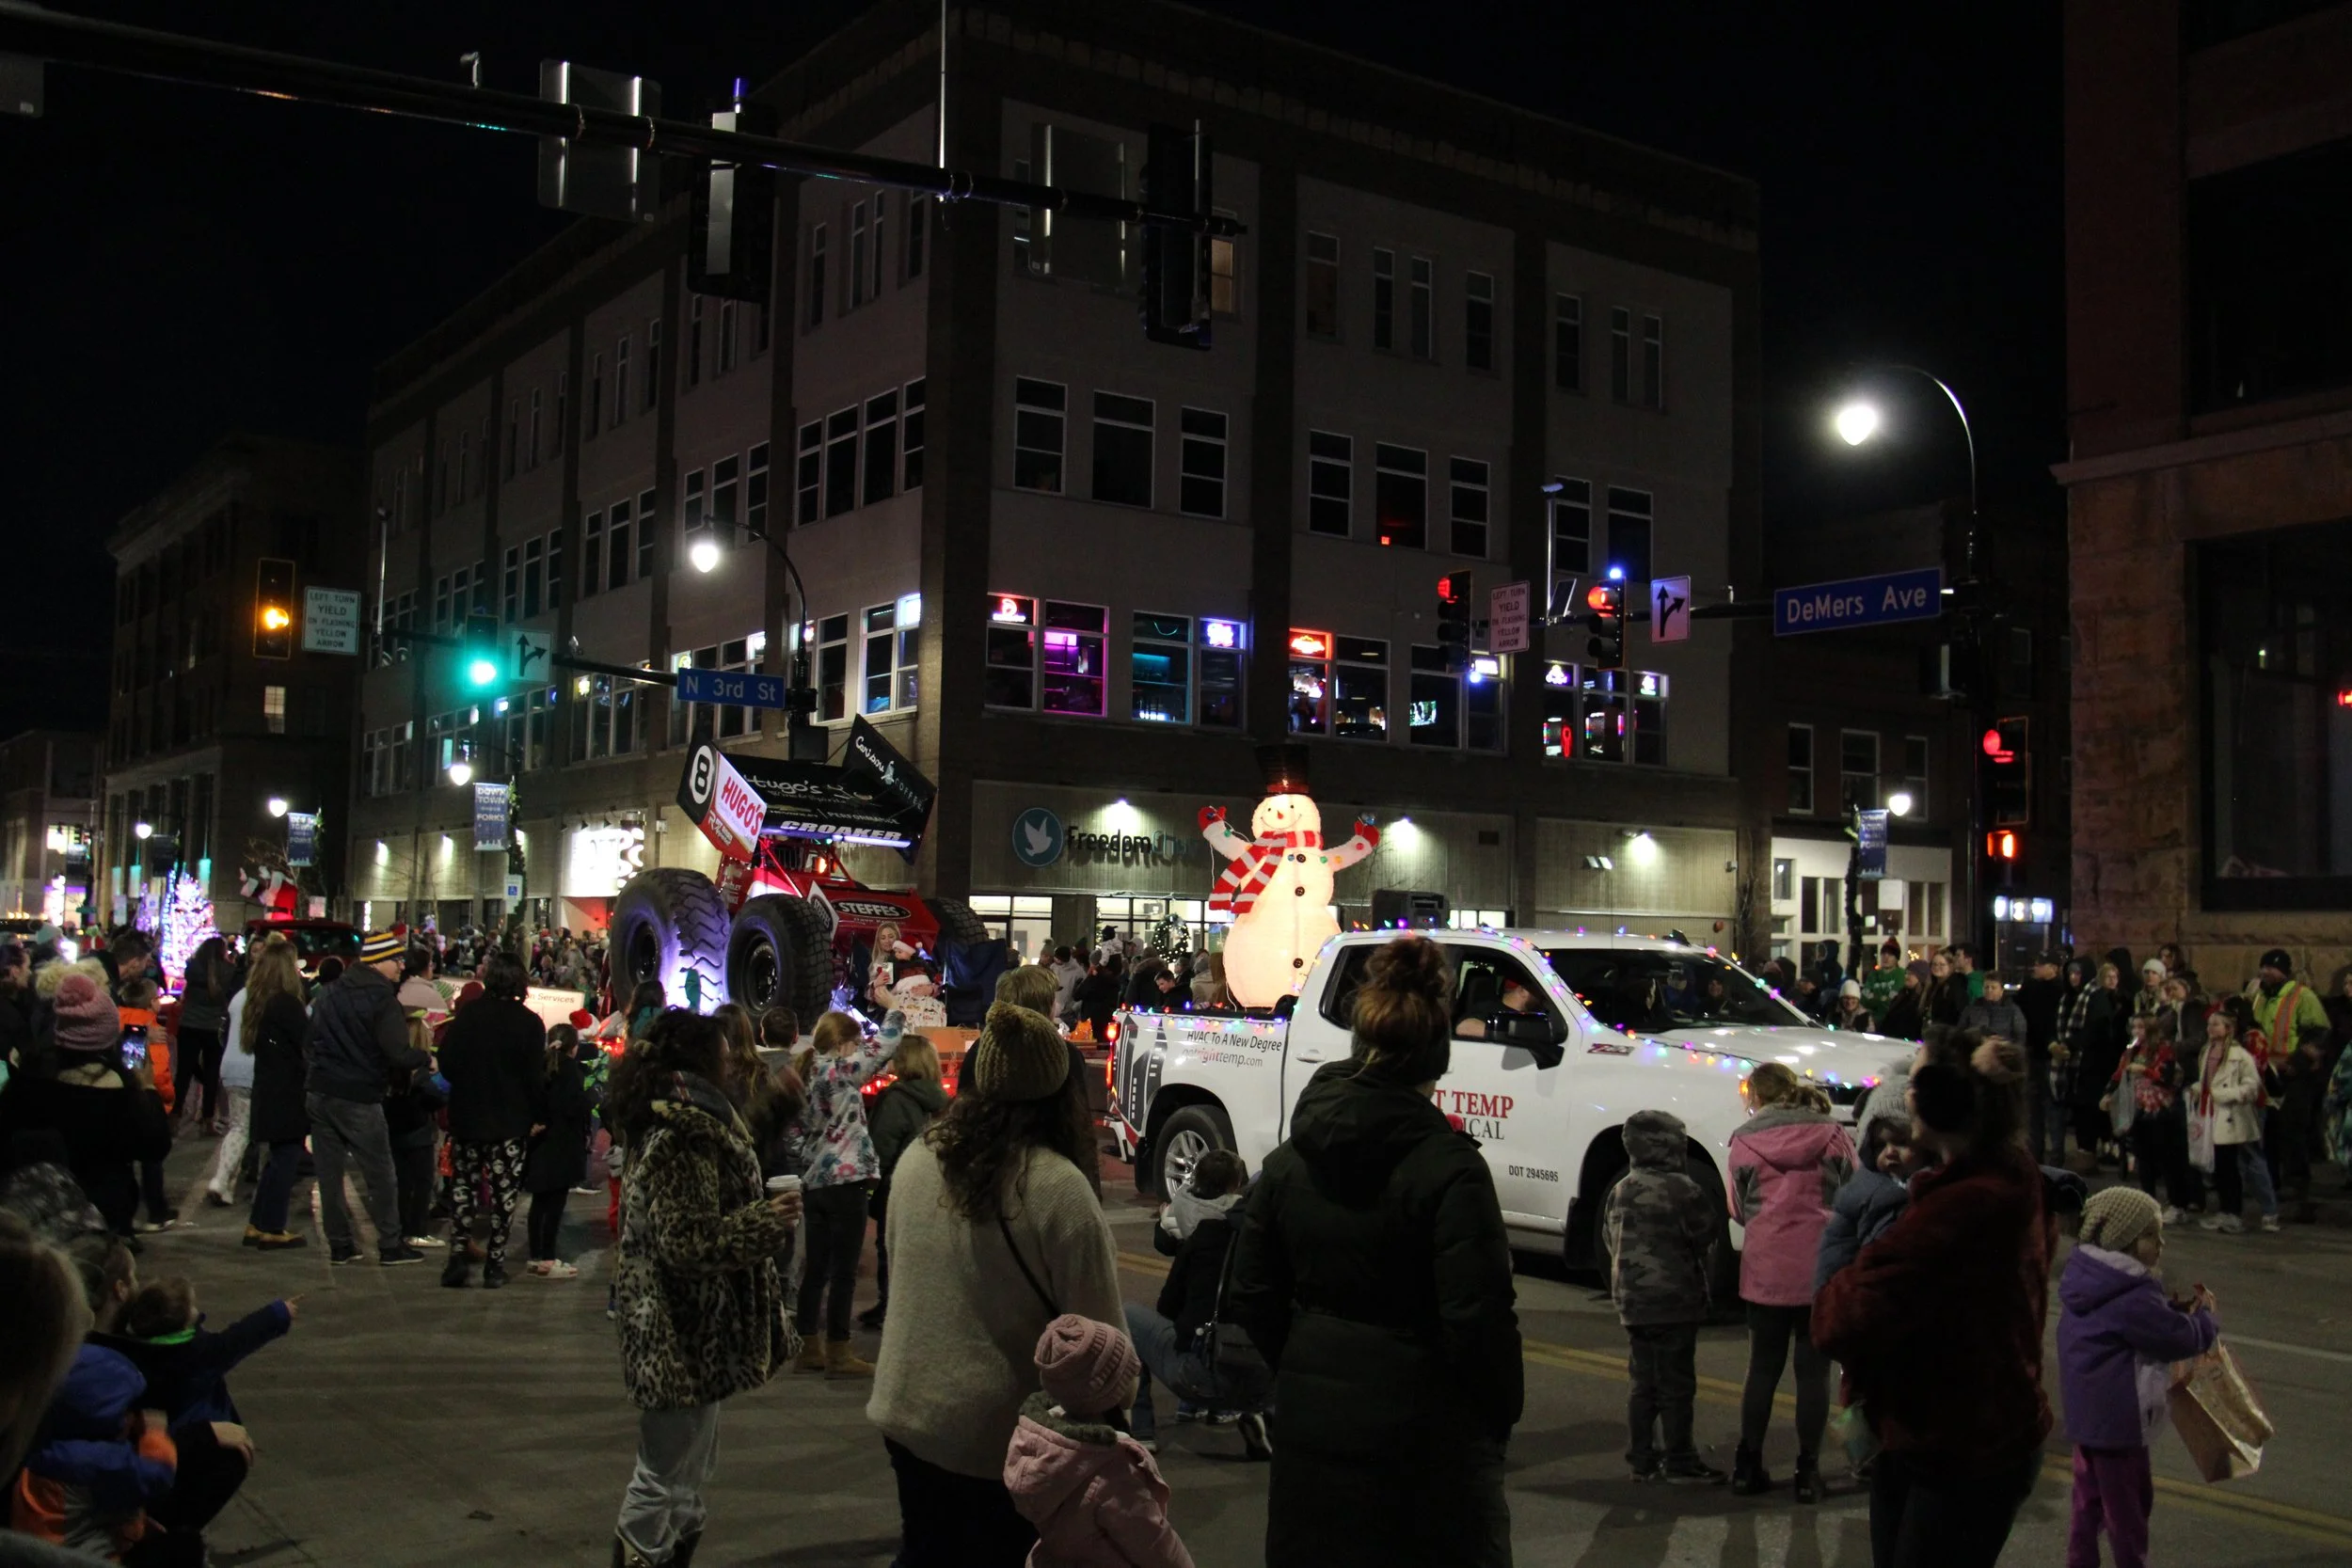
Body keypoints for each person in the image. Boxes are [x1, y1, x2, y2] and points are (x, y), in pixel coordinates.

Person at [1227, 936, 1520, 1568]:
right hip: (1426, 1441)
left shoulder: (1287, 1162)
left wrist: (1306, 1360)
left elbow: (1250, 1291)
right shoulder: (1451, 1171)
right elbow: (1481, 1322)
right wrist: (1493, 1419)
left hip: (1312, 1430)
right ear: (1435, 1058)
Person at [867, 999, 1120, 1567]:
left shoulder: (918, 1158)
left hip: (908, 1411)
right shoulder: (1057, 1187)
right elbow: (1103, 1349)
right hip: (1000, 1438)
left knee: (926, 1550)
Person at [1814, 1037, 2051, 1568]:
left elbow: (1837, 1319)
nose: (1908, 1095)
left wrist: (1837, 1274)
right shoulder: (2011, 1172)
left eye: (1916, 1083)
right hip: (1955, 1435)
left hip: (1960, 1450)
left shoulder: (1958, 1208)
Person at [606, 1008, 804, 1568]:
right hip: (675, 1332)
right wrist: (768, 1221)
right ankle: (645, 1554)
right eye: (721, 1051)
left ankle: (670, 1553)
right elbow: (687, 1243)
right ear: (702, 1062)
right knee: (664, 1475)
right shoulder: (680, 1133)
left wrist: (780, 1105)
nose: (730, 1059)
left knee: (690, 1473)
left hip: (696, 1330)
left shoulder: (693, 1117)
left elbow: (732, 1144)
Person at [2058, 1188, 2218, 1568]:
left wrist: (2164, 1311)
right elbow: (2175, 1338)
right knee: (2129, 1508)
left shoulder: (2091, 1283)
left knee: (2088, 1501)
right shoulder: (2131, 1295)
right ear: (2123, 1240)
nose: (2160, 1244)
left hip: (2088, 1420)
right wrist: (2206, 1320)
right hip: (2120, 1424)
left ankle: (2079, 1562)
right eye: (2151, 1235)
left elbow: (2138, 1324)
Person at [1728, 1062, 1854, 1503]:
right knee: (1812, 1375)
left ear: (1757, 1098)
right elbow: (1850, 1194)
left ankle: (1748, 1465)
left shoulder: (1744, 1141)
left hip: (1765, 1271)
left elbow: (1738, 1207)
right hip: (1819, 1269)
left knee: (1761, 1369)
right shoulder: (1832, 1135)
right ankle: (1807, 1471)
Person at [1003, 1315, 1195, 1568]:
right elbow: (1154, 1543)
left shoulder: (1034, 1438)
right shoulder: (1113, 1468)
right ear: (1105, 1388)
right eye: (1129, 1375)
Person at [1126, 1149, 1270, 1461]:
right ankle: (1256, 1412)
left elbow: (1168, 1305)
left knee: (1130, 1318)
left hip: (1203, 1371)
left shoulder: (1204, 1229)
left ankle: (1142, 1430)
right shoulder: (1277, 1245)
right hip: (1265, 1381)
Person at [1604, 1109, 1724, 1485]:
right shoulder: (1683, 1190)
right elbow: (1706, 1232)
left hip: (1634, 1302)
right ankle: (1680, 1459)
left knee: (1643, 1383)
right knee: (1676, 1384)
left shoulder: (1621, 1189)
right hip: (1675, 1301)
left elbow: (1611, 1238)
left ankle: (1641, 1458)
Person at [0, 968, 165, 1240]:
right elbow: (154, 1145)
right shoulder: (118, 1092)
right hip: (102, 1219)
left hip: (37, 1217)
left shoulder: (28, 1082)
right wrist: (146, 1087)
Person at [780, 1009, 900, 1375]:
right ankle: (838, 1349)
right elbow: (887, 1042)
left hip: (815, 1182)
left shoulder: (802, 1074)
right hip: (847, 1182)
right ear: (842, 1043)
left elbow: (792, 1134)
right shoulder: (841, 1071)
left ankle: (807, 1346)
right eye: (855, 1044)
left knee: (815, 1269)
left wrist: (810, 1160)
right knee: (844, 1272)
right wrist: (894, 1007)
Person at [303, 929, 428, 1267]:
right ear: (377, 962)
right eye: (396, 960)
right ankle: (390, 1244)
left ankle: (340, 1245)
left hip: (320, 1091)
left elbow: (309, 1039)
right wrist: (424, 1057)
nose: (402, 966)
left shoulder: (328, 993)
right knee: (381, 1173)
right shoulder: (382, 999)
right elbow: (398, 1053)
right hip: (358, 1096)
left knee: (329, 1174)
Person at [437, 956, 547, 1288]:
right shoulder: (529, 1023)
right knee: (504, 1195)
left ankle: (458, 1254)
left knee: (463, 1188)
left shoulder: (469, 1015)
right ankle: (494, 1265)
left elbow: (448, 1062)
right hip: (509, 1122)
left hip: (468, 1117)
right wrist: (537, 1115)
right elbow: (533, 1078)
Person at [106, 1276, 294, 1433]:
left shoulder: (131, 1350)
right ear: (184, 1320)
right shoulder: (198, 1353)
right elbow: (240, 1337)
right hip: (200, 1434)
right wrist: (278, 1313)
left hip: (157, 1434)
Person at [859, 1031, 947, 1332]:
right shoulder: (940, 1100)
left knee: (889, 1247)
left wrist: (869, 1192)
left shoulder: (896, 1100)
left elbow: (881, 1148)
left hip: (897, 1187)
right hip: (932, 1187)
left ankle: (890, 1306)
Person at [234, 941, 311, 1252]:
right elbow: (307, 1044)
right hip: (287, 1091)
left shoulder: (259, 1001)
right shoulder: (287, 1005)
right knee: (286, 1160)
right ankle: (273, 1226)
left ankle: (258, 1222)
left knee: (276, 1159)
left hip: (268, 1087)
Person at [2193, 1003, 2279, 1235]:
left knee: (2234, 1165)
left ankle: (2240, 1212)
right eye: (2209, 1024)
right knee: (2221, 1167)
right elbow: (2206, 1080)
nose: (2211, 1028)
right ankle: (2225, 1210)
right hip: (2213, 1115)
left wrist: (2226, 1094)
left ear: (2229, 1028)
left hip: (2233, 1115)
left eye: (2216, 1024)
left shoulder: (2240, 1056)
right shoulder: (2207, 1051)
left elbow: (2252, 1085)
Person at [522, 1022, 595, 1279]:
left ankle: (535, 1256)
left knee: (539, 1203)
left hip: (540, 1144)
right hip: (562, 1144)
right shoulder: (570, 1071)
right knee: (554, 1205)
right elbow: (572, 1107)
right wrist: (592, 1098)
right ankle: (548, 1258)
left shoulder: (539, 1066)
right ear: (574, 1047)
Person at [2107, 1013, 2191, 1221]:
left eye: (2141, 1028)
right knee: (2143, 1157)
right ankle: (2148, 1202)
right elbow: (2119, 1073)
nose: (2137, 1032)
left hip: (2162, 1109)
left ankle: (2177, 1204)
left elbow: (2168, 1078)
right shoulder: (2130, 1051)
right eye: (2134, 1027)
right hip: (2139, 1108)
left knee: (2166, 1158)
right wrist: (2109, 1093)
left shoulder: (2164, 1050)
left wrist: (2146, 1070)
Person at [171, 937, 231, 1132]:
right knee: (213, 1072)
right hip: (214, 1027)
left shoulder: (192, 967)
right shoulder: (227, 971)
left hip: (189, 1024)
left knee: (183, 1072)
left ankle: (175, 1114)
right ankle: (207, 1118)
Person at [1959, 974, 2026, 1050]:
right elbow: (1961, 1031)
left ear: (2001, 990)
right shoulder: (1971, 1009)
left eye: (1993, 987)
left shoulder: (2013, 1010)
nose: (1989, 990)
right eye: (1986, 987)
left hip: (2002, 1053)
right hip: (1976, 1051)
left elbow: (2020, 1036)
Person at [1859, 940, 1908, 1028]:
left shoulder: (1901, 974)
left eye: (1890, 955)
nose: (1886, 957)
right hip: (1871, 1021)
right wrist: (1883, 998)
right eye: (1883, 954)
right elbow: (1864, 1000)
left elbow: (1892, 1002)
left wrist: (1874, 997)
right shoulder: (1873, 975)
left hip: (1892, 1021)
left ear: (1896, 958)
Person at [1073, 957, 1123, 1041]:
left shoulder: (1094, 980)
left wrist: (1089, 976)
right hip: (1107, 1021)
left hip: (1090, 1022)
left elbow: (1077, 995)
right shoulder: (1115, 981)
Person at [1877, 962, 1927, 1041]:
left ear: (1920, 977)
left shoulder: (1921, 1001)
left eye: (1911, 974)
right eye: (1906, 973)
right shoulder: (1902, 995)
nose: (1906, 976)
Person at [1921, 952, 1964, 1028]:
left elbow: (1957, 1015)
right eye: (1934, 964)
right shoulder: (1932, 984)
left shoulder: (1955, 986)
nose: (1937, 967)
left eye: (1942, 964)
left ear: (1950, 966)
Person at [1048, 946, 1086, 1026]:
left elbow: (1082, 993)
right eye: (1055, 958)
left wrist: (1073, 1008)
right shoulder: (1053, 967)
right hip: (1054, 1009)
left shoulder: (1078, 972)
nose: (1056, 960)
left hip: (1069, 1011)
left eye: (1059, 959)